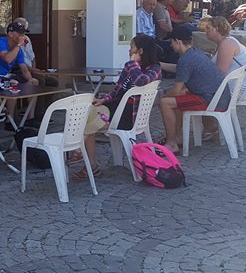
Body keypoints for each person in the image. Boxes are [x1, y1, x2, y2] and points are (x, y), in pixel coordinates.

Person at [68, 35, 162, 179]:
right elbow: (118, 89)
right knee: (88, 112)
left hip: (129, 115)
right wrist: (104, 99)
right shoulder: (129, 66)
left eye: (132, 46)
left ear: (140, 51)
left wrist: (132, 64)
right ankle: (88, 162)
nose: (129, 50)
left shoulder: (154, 69)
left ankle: (80, 153)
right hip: (116, 109)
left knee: (89, 120)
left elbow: (141, 81)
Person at [158, 26, 229, 154]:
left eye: (171, 42)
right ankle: (177, 137)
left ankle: (171, 143)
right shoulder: (195, 53)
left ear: (178, 41)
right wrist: (160, 65)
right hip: (218, 96)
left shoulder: (185, 60)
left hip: (210, 100)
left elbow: (175, 90)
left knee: (165, 103)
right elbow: (181, 69)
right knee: (176, 99)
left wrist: (158, 100)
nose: (171, 46)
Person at [0, 21, 39, 121]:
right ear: (10, 34)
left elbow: (24, 69)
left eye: (23, 33)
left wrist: (30, 81)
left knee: (34, 82)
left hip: (4, 76)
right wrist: (19, 45)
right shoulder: (0, 43)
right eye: (19, 33)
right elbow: (7, 58)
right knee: (13, 83)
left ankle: (30, 118)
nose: (22, 36)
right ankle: (10, 120)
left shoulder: (17, 49)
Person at [204, 16, 246, 100]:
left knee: (187, 93)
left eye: (208, 28)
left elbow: (220, 73)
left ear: (216, 29)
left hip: (234, 90)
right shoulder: (225, 42)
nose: (205, 31)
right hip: (233, 86)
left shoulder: (227, 43)